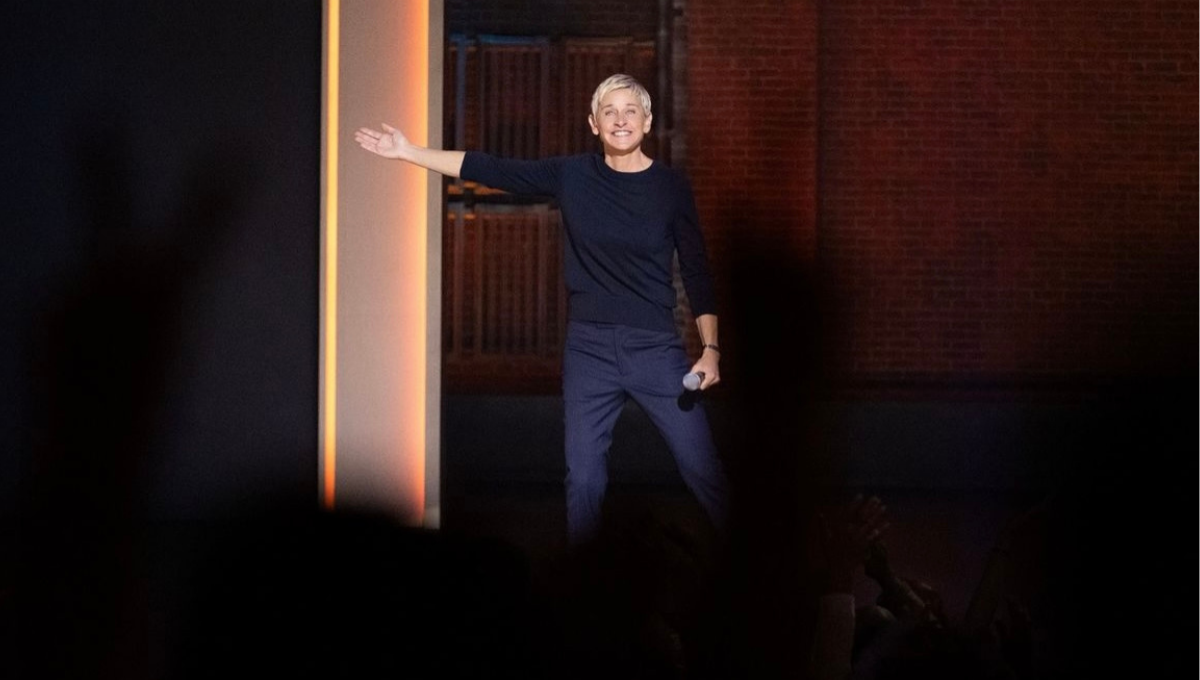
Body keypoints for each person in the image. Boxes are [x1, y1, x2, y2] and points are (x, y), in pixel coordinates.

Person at [355, 74, 729, 546]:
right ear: (593, 123)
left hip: (655, 348)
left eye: (630, 110)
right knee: (584, 479)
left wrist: (711, 348)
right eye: (609, 111)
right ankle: (583, 584)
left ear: (648, 121)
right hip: (589, 350)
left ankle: (761, 575)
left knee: (703, 470)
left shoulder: (669, 188)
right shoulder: (573, 175)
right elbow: (494, 169)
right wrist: (409, 151)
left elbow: (695, 269)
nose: (620, 120)